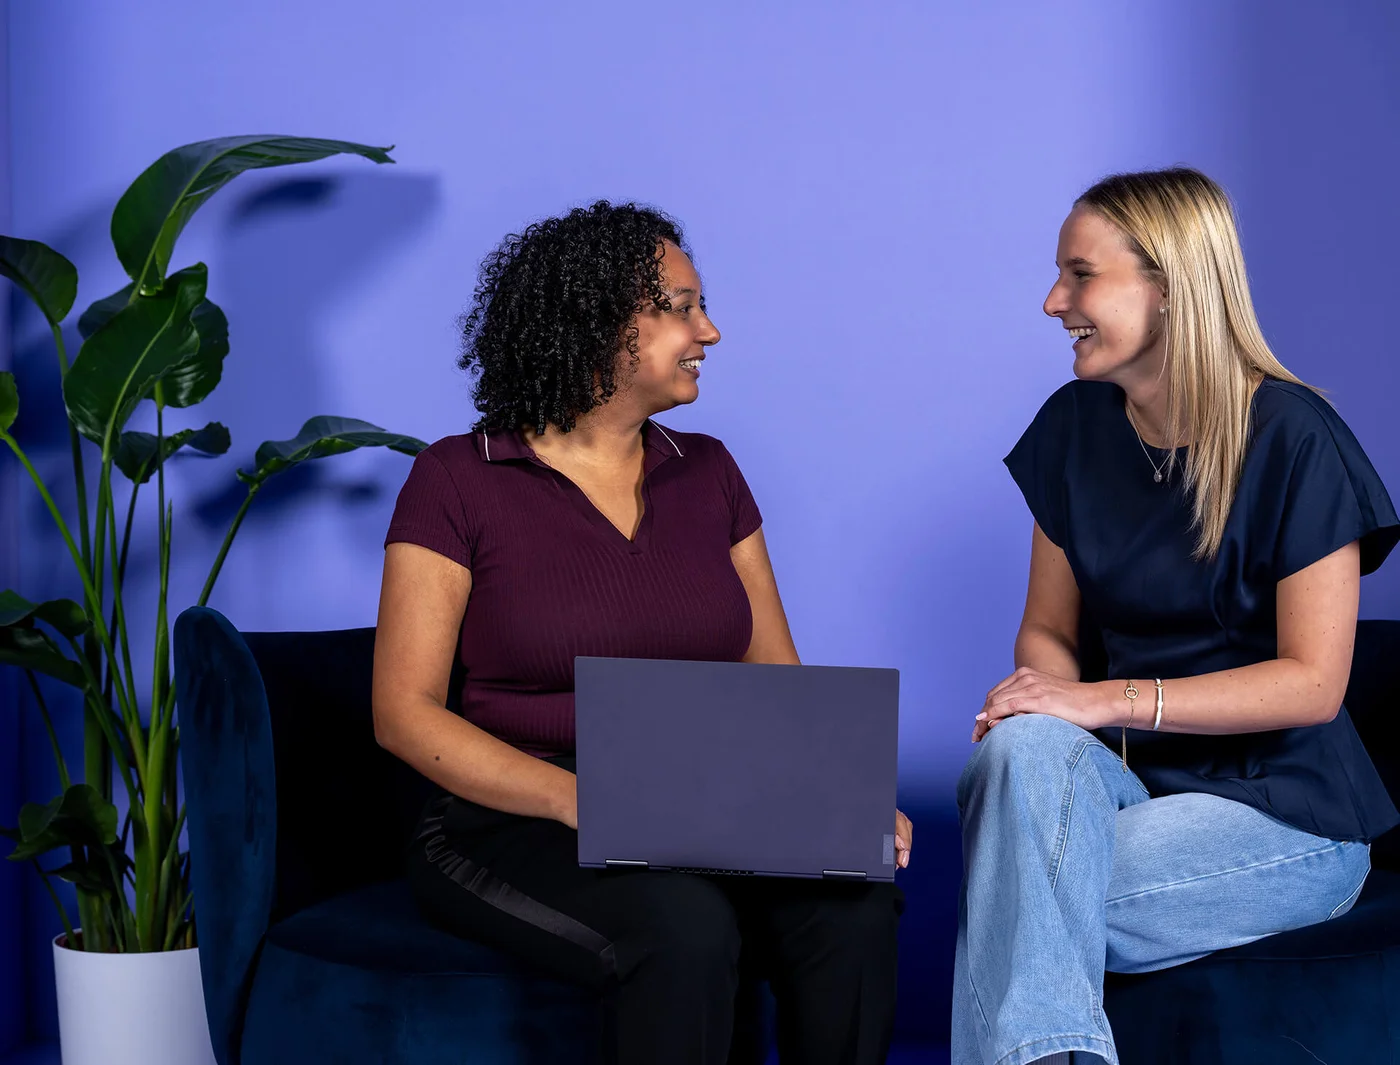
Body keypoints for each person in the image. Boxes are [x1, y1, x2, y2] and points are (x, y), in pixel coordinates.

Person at [372, 201, 908, 1065]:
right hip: (514, 808)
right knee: (682, 928)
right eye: (685, 306)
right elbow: (403, 711)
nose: (712, 330)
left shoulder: (711, 473)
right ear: (601, 322)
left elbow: (775, 674)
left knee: (852, 907)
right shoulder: (456, 479)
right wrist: (578, 800)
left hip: (698, 798)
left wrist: (832, 803)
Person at [955, 168, 1400, 1065]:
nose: (1053, 301)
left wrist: (1103, 701)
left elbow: (1314, 685)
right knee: (1022, 747)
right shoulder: (1072, 428)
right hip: (1125, 794)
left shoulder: (1295, 438)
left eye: (1080, 274)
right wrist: (1045, 709)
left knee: (1016, 893)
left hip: (1285, 812)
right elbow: (1045, 630)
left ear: (1167, 288)